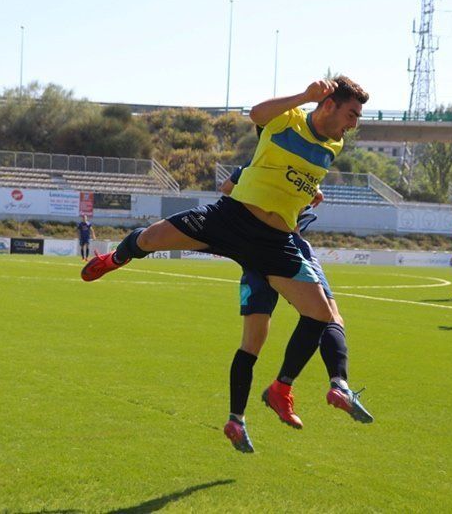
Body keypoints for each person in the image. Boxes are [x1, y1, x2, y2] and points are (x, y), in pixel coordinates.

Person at [82, 77, 373, 431]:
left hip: (275, 240)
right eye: (352, 114)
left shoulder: (334, 145)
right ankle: (113, 259)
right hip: (231, 218)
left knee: (320, 315)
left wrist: (310, 190)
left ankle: (281, 387)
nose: (355, 124)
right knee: (152, 238)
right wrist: (305, 95)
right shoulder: (289, 118)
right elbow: (257, 113)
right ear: (329, 104)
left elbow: (296, 175)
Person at [218, 163, 372, 453]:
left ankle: (236, 419)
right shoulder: (298, 164)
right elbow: (319, 196)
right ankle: (336, 383)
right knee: (328, 315)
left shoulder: (252, 167)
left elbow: (226, 190)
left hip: (254, 253)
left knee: (251, 343)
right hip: (290, 247)